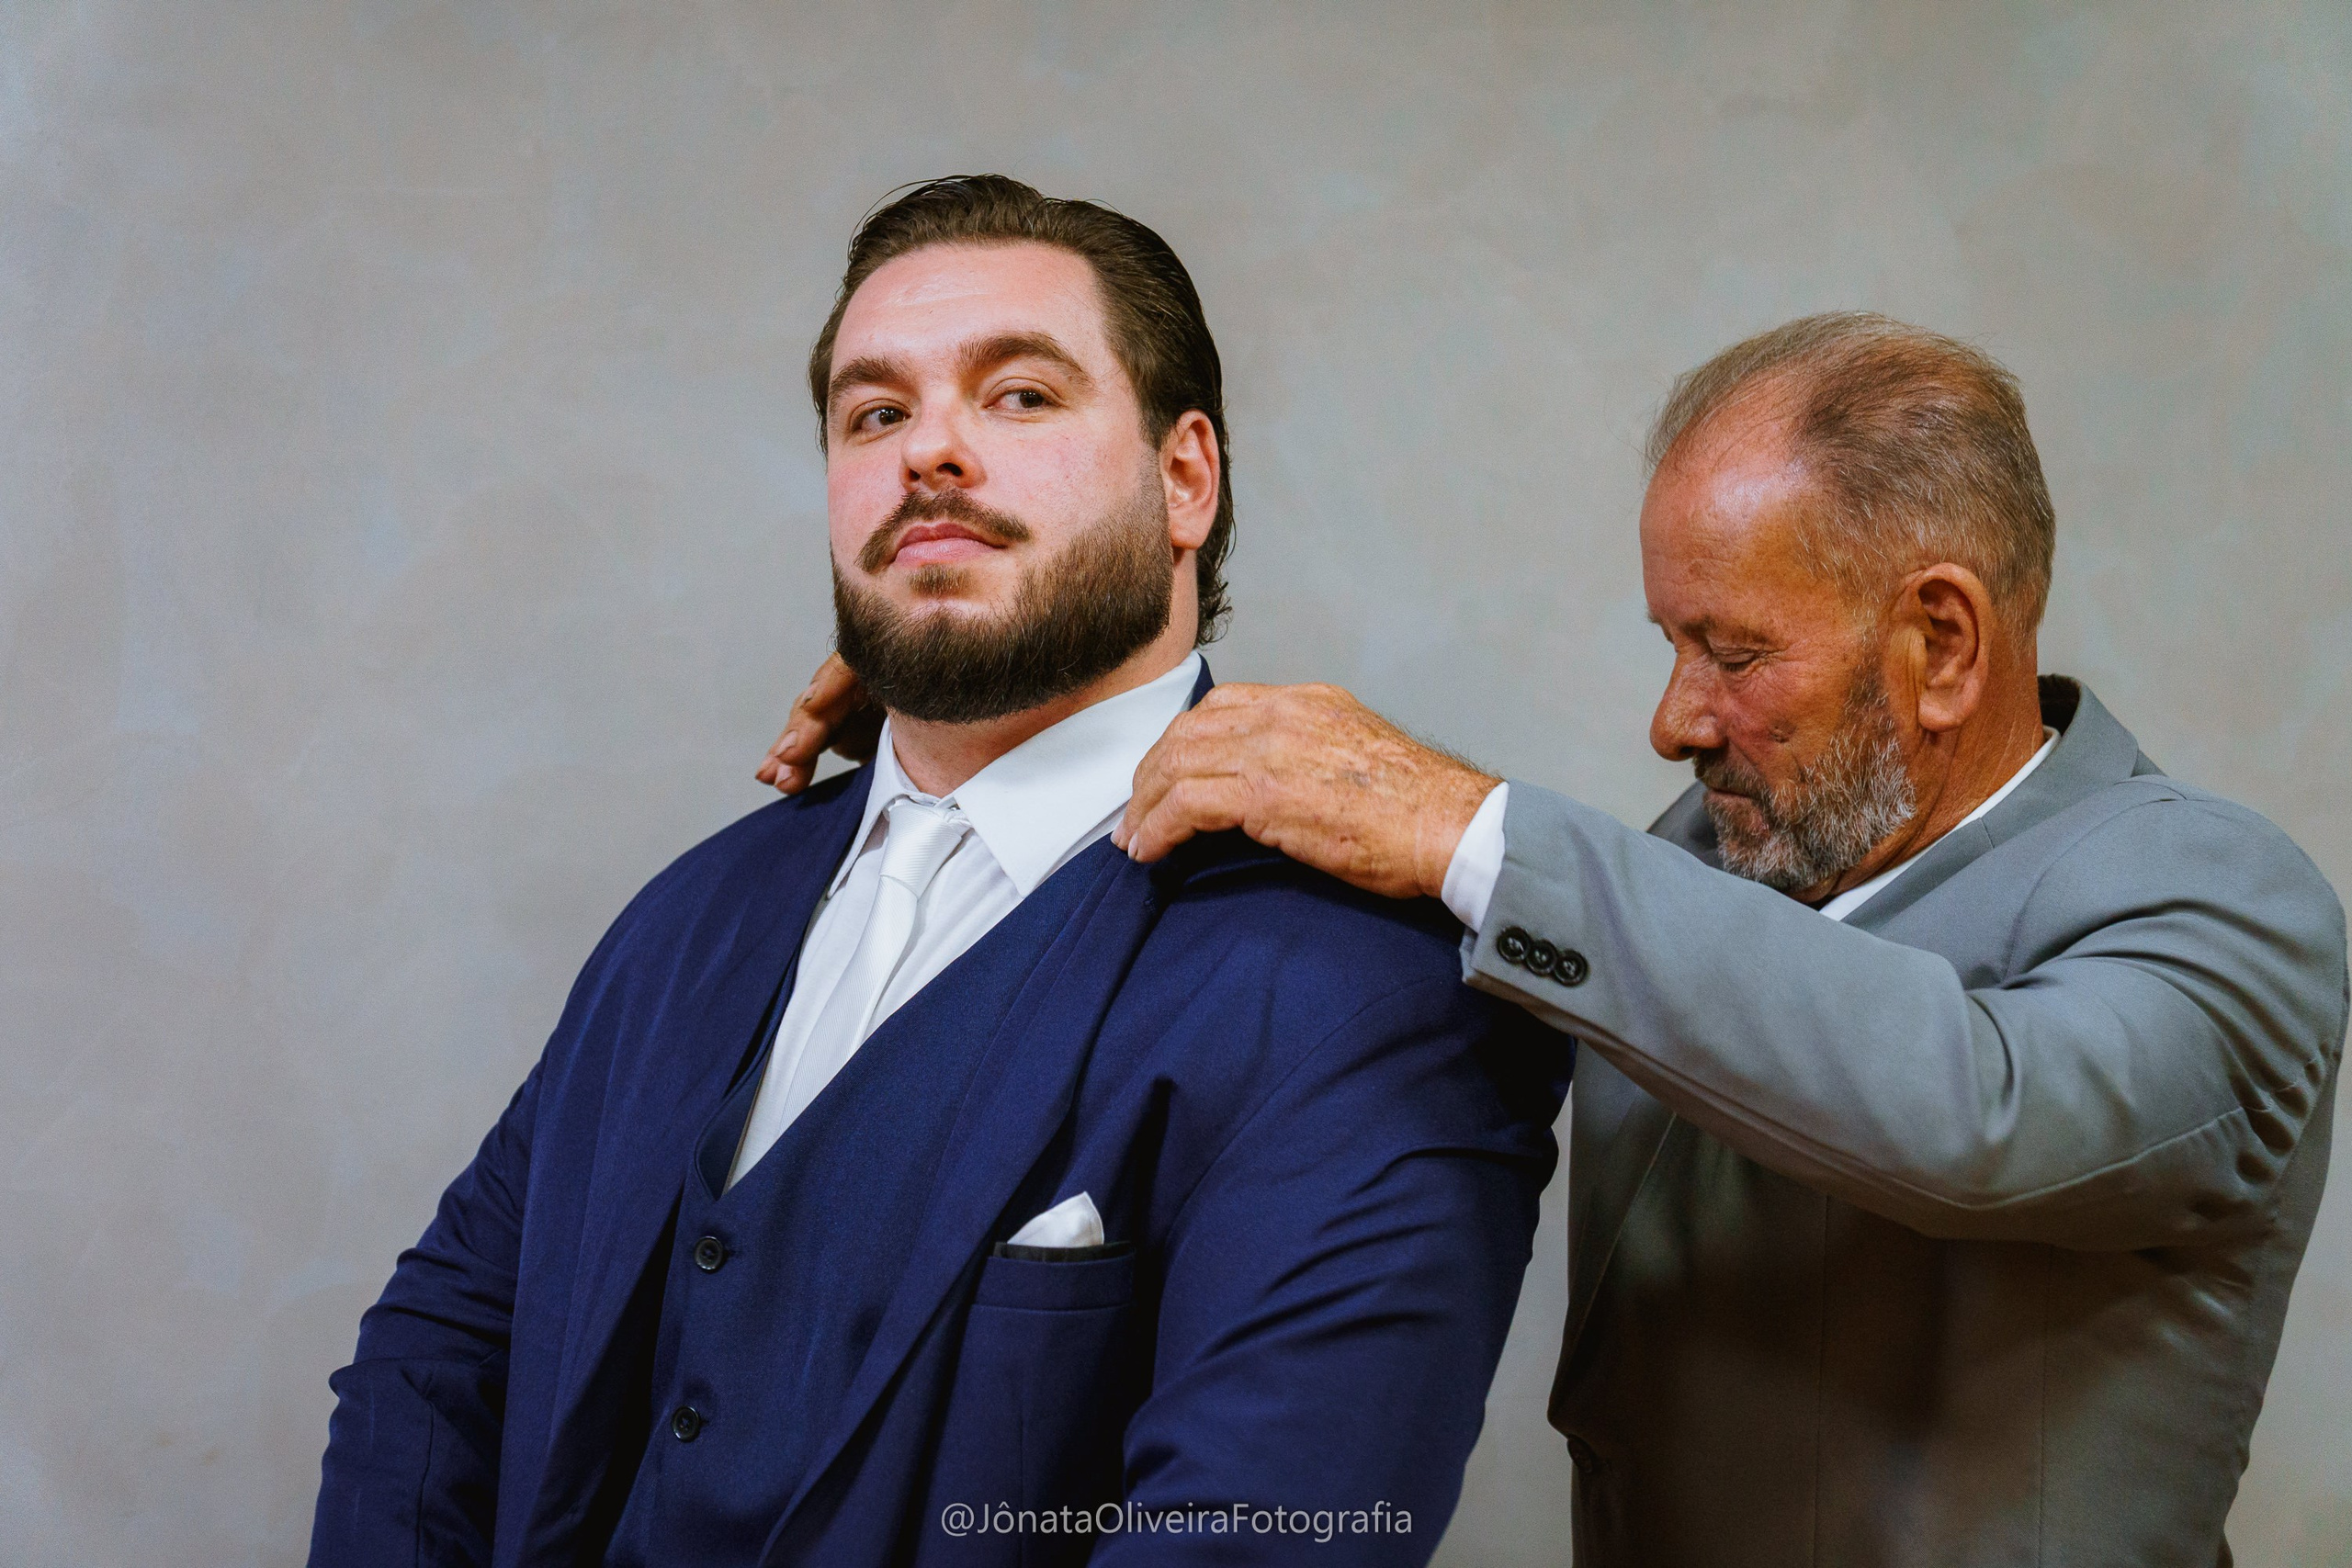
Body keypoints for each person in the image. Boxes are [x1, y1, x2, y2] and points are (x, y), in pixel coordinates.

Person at [768, 312, 2348, 1566]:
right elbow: (1448, 923)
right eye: (1672, 644)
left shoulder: (2218, 898)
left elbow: (1980, 1113)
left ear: (1941, 642)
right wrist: (1005, 707)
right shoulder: (1718, 853)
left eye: (1734, 654)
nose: (1674, 722)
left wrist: (1464, 825)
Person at [310, 176, 1570, 1568]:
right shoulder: (689, 917)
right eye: (877, 413)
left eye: (1020, 397)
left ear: (1184, 477)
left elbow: (1254, 1539)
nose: (932, 455)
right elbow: (438, 1358)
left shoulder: (1367, 986)